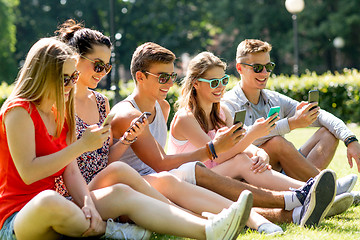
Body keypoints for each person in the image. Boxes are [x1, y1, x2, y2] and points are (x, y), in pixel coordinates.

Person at [0, 37, 253, 240]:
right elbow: (28, 173)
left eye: (73, 77)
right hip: (18, 216)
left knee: (120, 191)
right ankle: (106, 230)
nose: (70, 84)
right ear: (43, 75)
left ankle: (208, 230)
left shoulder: (62, 112)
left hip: (65, 206)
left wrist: (88, 203)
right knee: (49, 201)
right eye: (64, 78)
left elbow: (71, 172)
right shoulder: (19, 111)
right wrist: (80, 146)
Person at [110, 41, 337, 228]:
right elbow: (172, 161)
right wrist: (243, 140)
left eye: (171, 77)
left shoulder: (164, 107)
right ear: (140, 77)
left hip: (177, 176)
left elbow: (215, 150)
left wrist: (255, 148)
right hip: (165, 179)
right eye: (163, 78)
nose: (169, 83)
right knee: (237, 165)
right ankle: (303, 192)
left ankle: (303, 199)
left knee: (243, 166)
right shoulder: (165, 115)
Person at [221, 39, 358, 187]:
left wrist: (350, 140)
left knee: (329, 133)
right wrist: (290, 124)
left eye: (269, 66)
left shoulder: (274, 98)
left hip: (283, 169)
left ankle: (312, 190)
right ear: (240, 68)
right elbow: (240, 141)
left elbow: (320, 115)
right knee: (276, 143)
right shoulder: (227, 104)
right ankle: (330, 189)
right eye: (258, 68)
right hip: (255, 173)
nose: (265, 73)